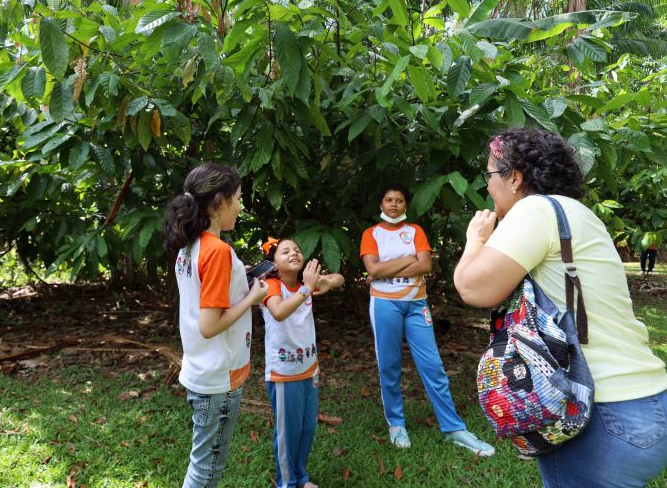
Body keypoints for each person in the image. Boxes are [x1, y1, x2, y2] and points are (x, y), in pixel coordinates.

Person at [453, 128, 667, 487]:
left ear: (515, 178)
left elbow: (473, 287)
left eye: (490, 175)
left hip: (599, 415)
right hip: (649, 402)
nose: (487, 187)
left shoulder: (535, 210)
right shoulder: (577, 214)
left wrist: (474, 241)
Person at [360, 183, 495, 456]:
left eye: (399, 200)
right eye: (388, 199)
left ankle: (453, 428)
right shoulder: (371, 234)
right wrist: (406, 260)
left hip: (416, 303)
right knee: (389, 366)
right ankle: (396, 424)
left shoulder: (416, 232)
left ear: (406, 205)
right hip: (384, 304)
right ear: (381, 204)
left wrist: (388, 268)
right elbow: (372, 268)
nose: (394, 204)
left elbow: (425, 265)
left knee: (433, 365)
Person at [161, 163, 269, 488]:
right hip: (219, 379)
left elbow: (204, 298)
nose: (240, 206)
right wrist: (252, 298)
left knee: (203, 464)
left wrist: (242, 279)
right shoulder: (218, 252)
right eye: (237, 198)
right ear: (219, 201)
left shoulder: (191, 246)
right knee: (207, 471)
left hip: (201, 370)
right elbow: (210, 325)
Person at [259, 237, 345, 488]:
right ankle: (286, 482)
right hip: (284, 372)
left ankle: (301, 477)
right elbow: (279, 311)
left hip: (309, 369)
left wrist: (326, 282)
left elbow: (339, 277)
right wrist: (307, 289)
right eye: (285, 251)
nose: (294, 253)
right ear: (272, 262)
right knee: (288, 434)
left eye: (297, 249)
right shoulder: (271, 286)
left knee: (307, 428)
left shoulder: (304, 284)